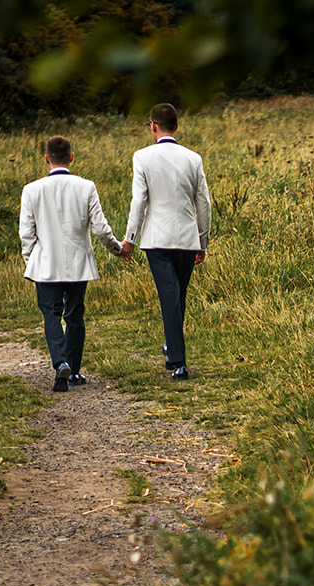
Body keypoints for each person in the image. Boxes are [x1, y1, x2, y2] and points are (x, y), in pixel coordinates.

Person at [18, 135, 123, 392]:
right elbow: (100, 228)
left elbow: (26, 233)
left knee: (51, 314)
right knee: (75, 315)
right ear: (72, 157)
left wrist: (31, 261)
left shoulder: (32, 189)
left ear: (46, 158)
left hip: (46, 264)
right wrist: (116, 248)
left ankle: (60, 363)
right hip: (78, 264)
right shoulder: (86, 187)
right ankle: (73, 371)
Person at [119, 102, 212, 382]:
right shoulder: (193, 158)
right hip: (186, 238)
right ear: (177, 126)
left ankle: (177, 358)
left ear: (154, 127)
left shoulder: (142, 157)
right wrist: (202, 241)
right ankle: (174, 352)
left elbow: (139, 200)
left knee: (172, 296)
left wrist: (130, 238)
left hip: (156, 238)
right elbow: (203, 203)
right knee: (177, 295)